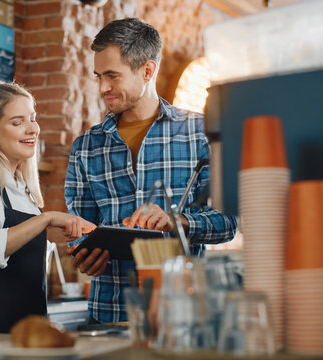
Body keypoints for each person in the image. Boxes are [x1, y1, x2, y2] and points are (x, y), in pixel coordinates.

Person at [65, 18, 238, 323]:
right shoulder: (86, 146)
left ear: (147, 70)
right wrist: (84, 253)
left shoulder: (200, 134)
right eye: (98, 76)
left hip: (184, 315)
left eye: (112, 76)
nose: (103, 87)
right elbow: (80, 229)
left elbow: (227, 223)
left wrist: (178, 221)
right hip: (110, 315)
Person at [0, 82, 96, 333]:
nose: (32, 129)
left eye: (33, 119)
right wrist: (47, 219)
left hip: (24, 328)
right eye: (18, 122)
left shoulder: (22, 188)